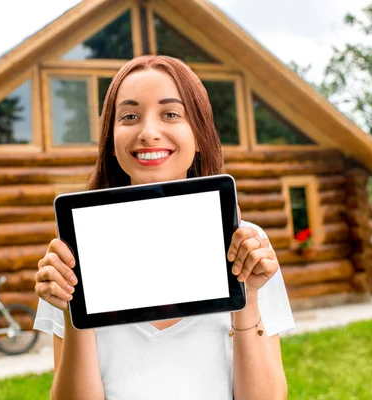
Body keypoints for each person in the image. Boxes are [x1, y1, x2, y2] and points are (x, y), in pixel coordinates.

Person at [34, 55, 295, 400]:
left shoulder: (247, 246)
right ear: (111, 141)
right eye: (129, 116)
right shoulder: (71, 257)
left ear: (200, 135)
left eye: (170, 114)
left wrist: (248, 299)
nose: (148, 132)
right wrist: (76, 313)